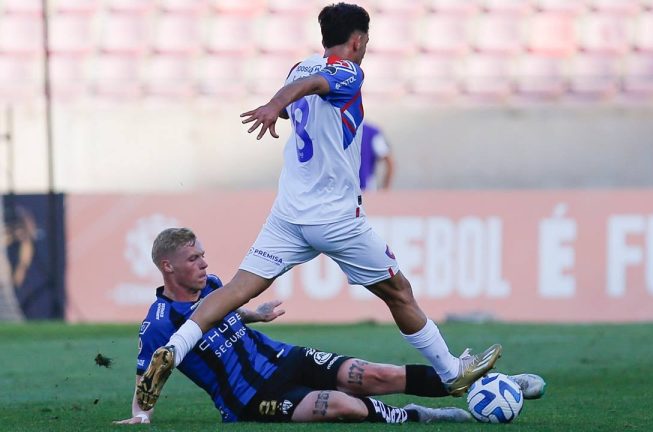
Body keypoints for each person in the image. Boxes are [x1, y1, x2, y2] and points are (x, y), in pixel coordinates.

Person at [136, 3, 502, 411]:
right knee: (398, 293)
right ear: (358, 40)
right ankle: (453, 374)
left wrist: (284, 102)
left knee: (236, 290)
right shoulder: (346, 71)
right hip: (336, 217)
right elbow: (313, 86)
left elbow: (306, 97)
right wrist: (276, 104)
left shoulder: (297, 67)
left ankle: (173, 346)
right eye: (366, 42)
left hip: (289, 214)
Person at [117, 228, 545, 424]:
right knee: (344, 406)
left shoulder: (211, 287)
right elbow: (150, 372)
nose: (205, 264)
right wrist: (141, 415)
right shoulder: (157, 326)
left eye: (204, 255)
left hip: (284, 357)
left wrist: (252, 315)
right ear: (167, 266)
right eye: (194, 259)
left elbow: (218, 319)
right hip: (251, 399)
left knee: (376, 374)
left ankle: (486, 386)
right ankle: (419, 415)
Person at [359, 122, 394, 191]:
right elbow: (389, 161)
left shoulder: (371, 131)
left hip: (365, 187)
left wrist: (386, 188)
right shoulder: (371, 131)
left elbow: (389, 161)